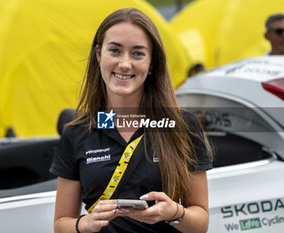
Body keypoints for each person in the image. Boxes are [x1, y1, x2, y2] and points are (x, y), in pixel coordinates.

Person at [50, 8, 213, 233]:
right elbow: (60, 225)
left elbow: (200, 224)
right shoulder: (78, 132)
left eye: (137, 53)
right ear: (99, 55)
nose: (125, 64)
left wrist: (174, 212)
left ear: (152, 63)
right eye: (115, 50)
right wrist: (85, 223)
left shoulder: (182, 127)